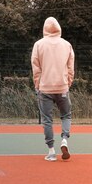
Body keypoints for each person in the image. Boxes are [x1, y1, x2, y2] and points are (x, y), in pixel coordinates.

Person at [31, 17, 75, 161]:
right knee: (66, 115)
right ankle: (64, 140)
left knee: (47, 120)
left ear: (45, 28)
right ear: (58, 28)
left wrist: (37, 84)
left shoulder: (38, 45)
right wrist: (68, 82)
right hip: (62, 87)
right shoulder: (67, 45)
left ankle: (51, 152)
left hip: (45, 88)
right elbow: (70, 67)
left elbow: (35, 66)